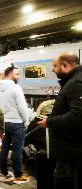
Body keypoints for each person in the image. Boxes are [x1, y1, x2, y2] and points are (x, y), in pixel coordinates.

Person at [38, 52, 82, 189]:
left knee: (64, 182)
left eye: (55, 66)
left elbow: (78, 115)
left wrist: (50, 122)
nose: (52, 69)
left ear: (65, 66)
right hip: (71, 148)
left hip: (71, 150)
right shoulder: (74, 80)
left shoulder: (76, 83)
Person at [0, 63, 31, 183]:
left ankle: (3, 171)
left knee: (3, 149)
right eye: (17, 74)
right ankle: (18, 174)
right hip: (16, 123)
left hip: (3, 123)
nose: (19, 76)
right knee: (17, 150)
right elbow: (22, 107)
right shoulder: (16, 88)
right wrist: (26, 120)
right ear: (10, 75)